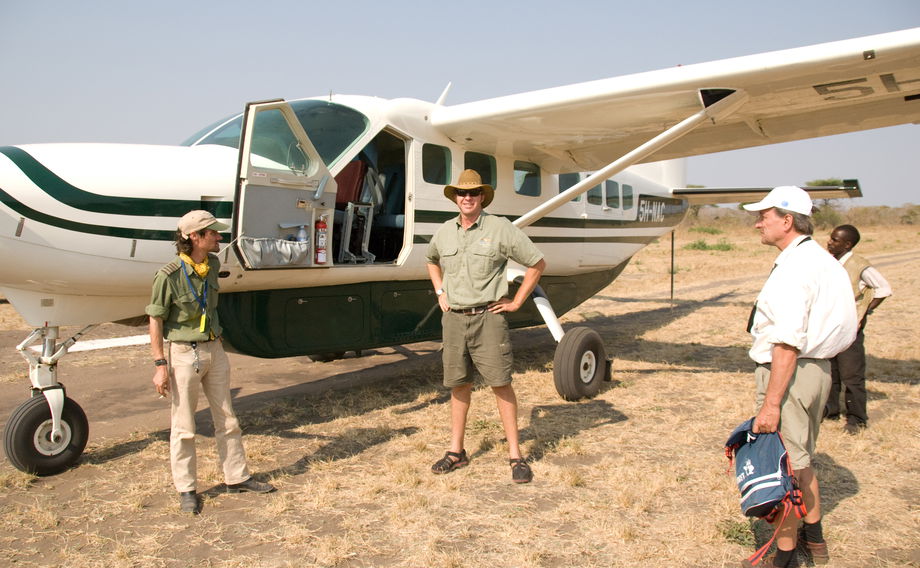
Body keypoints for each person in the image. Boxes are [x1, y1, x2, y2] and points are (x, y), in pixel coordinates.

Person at [741, 187, 857, 568]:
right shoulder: (824, 261)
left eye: (764, 216)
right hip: (816, 371)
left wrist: (771, 403)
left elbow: (787, 344)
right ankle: (816, 542)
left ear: (787, 220)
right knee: (802, 460)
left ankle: (786, 556)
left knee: (783, 468)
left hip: (789, 373)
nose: (758, 223)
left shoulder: (794, 269)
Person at [147, 210, 276, 514]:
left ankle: (237, 476)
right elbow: (155, 319)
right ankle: (187, 489)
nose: (219, 237)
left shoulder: (213, 264)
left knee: (228, 418)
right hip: (183, 353)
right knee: (184, 425)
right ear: (194, 237)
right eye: (213, 233)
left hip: (213, 350)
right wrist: (159, 364)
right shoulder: (168, 275)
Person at [426, 169, 546, 484]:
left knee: (500, 383)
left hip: (488, 319)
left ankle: (516, 455)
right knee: (458, 385)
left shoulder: (500, 228)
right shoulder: (444, 231)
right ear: (455, 198)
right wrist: (440, 291)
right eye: (462, 193)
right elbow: (431, 259)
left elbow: (536, 263)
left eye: (474, 193)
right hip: (453, 320)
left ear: (482, 197)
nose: (467, 198)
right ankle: (456, 453)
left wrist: (517, 301)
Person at [825, 224, 892, 434]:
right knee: (830, 371)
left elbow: (884, 289)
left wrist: (864, 311)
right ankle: (830, 410)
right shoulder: (830, 262)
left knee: (851, 374)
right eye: (831, 238)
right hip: (831, 325)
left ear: (847, 244)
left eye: (835, 240)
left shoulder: (859, 265)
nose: (830, 242)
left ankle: (856, 418)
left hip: (850, 327)